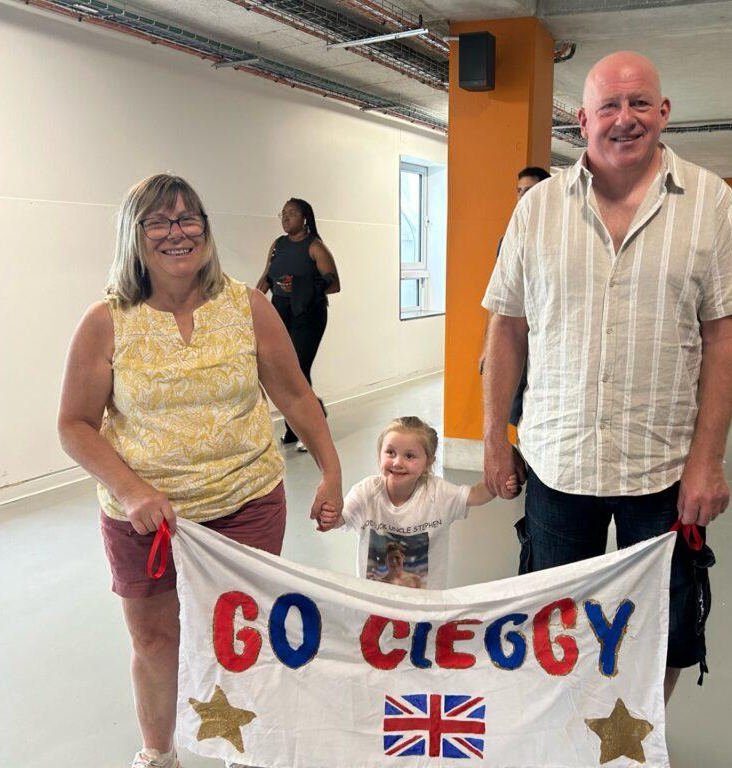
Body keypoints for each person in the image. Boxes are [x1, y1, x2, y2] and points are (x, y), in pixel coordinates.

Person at [481, 52, 732, 703]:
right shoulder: (538, 209)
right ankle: (562, 736)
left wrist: (709, 462)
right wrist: (496, 437)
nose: (625, 118)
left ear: (663, 113)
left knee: (661, 626)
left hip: (662, 469)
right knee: (552, 621)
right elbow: (507, 328)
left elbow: (726, 337)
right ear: (582, 120)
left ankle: (635, 740)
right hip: (558, 462)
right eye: (609, 105)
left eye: (640, 103)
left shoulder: (710, 204)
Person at [57, 174, 343, 768]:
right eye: (159, 222)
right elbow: (75, 425)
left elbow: (294, 395)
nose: (177, 233)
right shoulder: (107, 320)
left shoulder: (247, 306)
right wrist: (131, 489)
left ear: (206, 232)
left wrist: (331, 471)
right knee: (155, 640)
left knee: (243, 639)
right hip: (146, 522)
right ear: (134, 236)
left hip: (247, 505)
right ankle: (159, 754)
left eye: (190, 220)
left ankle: (251, 750)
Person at [317, 416, 518, 589]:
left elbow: (475, 495)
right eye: (390, 452)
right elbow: (342, 519)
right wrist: (329, 517)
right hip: (375, 603)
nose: (397, 462)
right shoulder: (366, 492)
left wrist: (500, 482)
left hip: (425, 607)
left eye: (409, 456)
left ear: (428, 462)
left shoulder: (437, 493)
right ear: (380, 454)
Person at [257, 198, 340, 451]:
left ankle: (313, 429)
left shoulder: (315, 247)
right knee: (284, 371)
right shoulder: (278, 245)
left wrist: (301, 286)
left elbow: (334, 283)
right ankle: (293, 429)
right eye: (282, 213)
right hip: (281, 314)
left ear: (305, 218)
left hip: (308, 314)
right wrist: (252, 303)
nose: (285, 217)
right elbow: (267, 277)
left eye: (291, 213)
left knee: (299, 370)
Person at [479, 166, 553, 426]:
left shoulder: (558, 238)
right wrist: (489, 345)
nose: (523, 197)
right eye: (519, 191)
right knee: (515, 411)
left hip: (545, 341)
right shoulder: (509, 240)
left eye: (530, 191)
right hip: (515, 336)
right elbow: (501, 300)